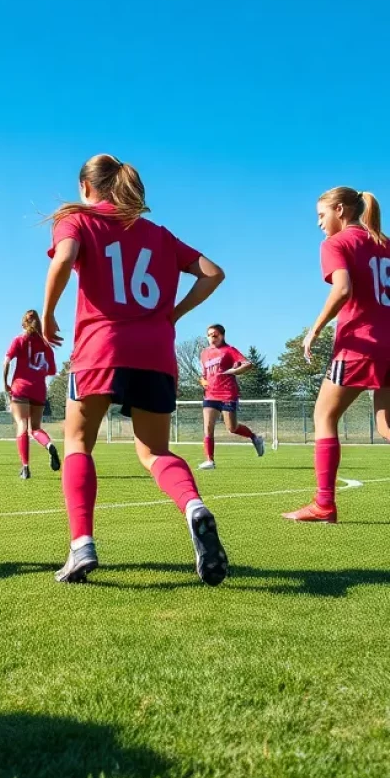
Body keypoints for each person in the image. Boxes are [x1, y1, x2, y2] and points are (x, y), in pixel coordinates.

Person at [43, 154, 228, 586]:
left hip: (99, 349)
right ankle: (194, 507)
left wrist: (49, 312)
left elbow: (64, 258)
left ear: (87, 187)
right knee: (154, 453)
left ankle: (81, 545)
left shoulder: (78, 220)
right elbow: (213, 273)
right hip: (155, 353)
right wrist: (173, 314)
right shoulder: (159, 235)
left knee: (77, 445)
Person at [283, 187, 390, 523]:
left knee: (324, 417)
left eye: (320, 215)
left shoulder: (336, 243)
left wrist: (314, 329)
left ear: (340, 210)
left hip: (361, 344)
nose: (318, 223)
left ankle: (324, 504)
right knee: (386, 426)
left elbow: (342, 288)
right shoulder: (385, 244)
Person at [197, 324, 264, 469]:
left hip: (227, 393)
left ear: (222, 335)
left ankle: (254, 437)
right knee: (208, 427)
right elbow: (203, 374)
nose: (211, 338)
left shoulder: (229, 350)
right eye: (209, 335)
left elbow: (248, 364)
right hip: (210, 395)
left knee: (232, 428)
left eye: (215, 335)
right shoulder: (204, 353)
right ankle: (210, 460)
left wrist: (233, 371)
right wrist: (203, 382)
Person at [4, 309, 60, 479]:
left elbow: (6, 361)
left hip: (20, 388)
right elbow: (51, 370)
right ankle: (49, 445)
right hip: (39, 390)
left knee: (21, 424)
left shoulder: (19, 340)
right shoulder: (46, 345)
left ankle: (26, 467)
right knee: (35, 428)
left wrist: (4, 382)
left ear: (24, 324)